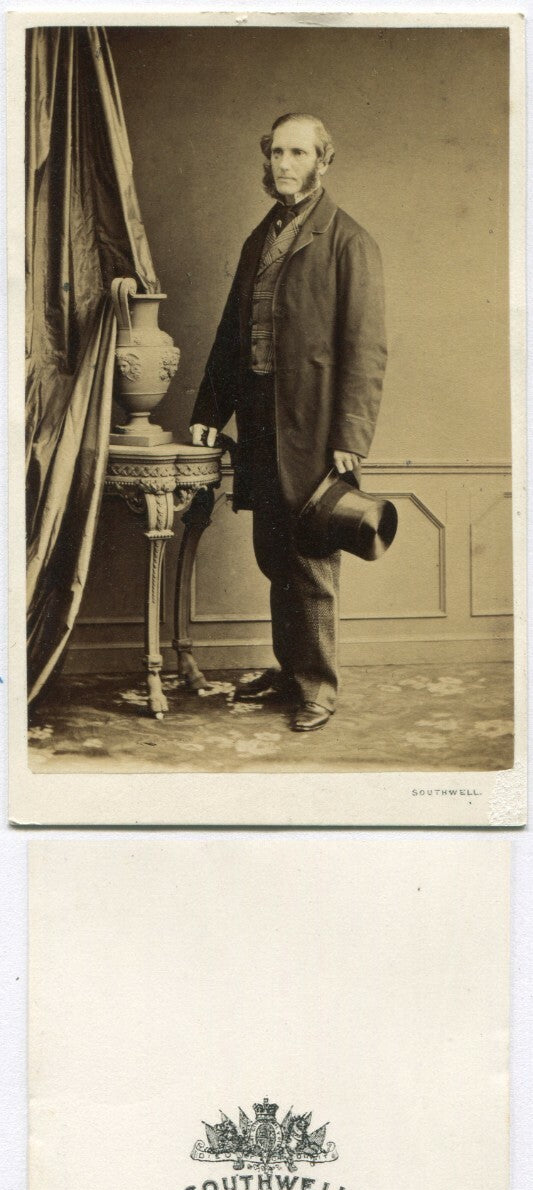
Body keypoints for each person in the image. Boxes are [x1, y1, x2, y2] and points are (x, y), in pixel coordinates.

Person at [190, 112, 387, 731]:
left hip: (314, 428)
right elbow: (231, 336)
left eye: (298, 153)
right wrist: (206, 413)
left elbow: (366, 347)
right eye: (276, 152)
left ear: (323, 161)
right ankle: (290, 672)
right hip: (260, 424)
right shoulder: (261, 238)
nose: (283, 164)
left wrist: (351, 438)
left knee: (313, 558)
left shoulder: (348, 241)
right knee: (275, 555)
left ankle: (318, 689)